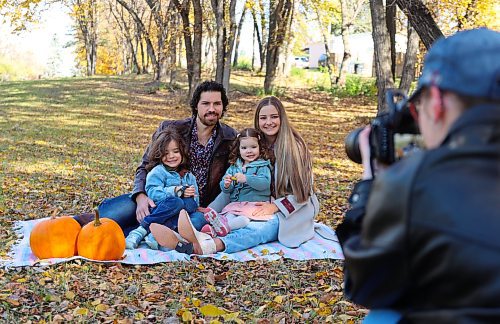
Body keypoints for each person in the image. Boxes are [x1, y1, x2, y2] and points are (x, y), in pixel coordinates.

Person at [336, 28, 500, 323]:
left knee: (382, 316)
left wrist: (372, 184)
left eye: (417, 108)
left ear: (435, 100)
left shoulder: (416, 180)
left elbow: (364, 283)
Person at [152, 96, 320, 255]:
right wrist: (211, 209)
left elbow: (303, 193)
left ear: (282, 118)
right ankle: (183, 240)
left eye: (274, 117)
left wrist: (275, 206)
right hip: (255, 205)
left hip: (293, 207)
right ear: (257, 120)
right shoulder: (253, 147)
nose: (268, 122)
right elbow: (233, 189)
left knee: (259, 230)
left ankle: (210, 246)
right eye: (263, 118)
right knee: (219, 219)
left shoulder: (294, 147)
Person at [75, 81, 237, 236]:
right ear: (196, 105)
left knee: (194, 224)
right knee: (116, 214)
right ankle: (75, 226)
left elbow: (234, 174)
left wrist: (208, 207)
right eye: (206, 103)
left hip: (190, 207)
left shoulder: (229, 138)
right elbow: (145, 166)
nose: (212, 109)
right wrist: (140, 196)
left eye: (217, 104)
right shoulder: (172, 129)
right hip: (158, 197)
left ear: (223, 106)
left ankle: (132, 233)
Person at [124, 128, 207, 250]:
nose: (171, 156)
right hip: (161, 211)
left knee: (198, 215)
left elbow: (195, 202)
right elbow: (153, 193)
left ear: (182, 153)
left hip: (179, 218)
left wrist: (193, 199)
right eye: (166, 153)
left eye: (175, 151)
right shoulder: (158, 172)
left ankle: (160, 237)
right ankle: (140, 231)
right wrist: (176, 191)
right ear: (159, 154)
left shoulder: (189, 176)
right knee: (176, 202)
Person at [199, 127, 272, 237]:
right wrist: (227, 184)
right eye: (244, 148)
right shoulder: (234, 166)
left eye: (253, 147)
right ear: (238, 149)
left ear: (260, 147)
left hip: (253, 205)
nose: (249, 151)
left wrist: (247, 178)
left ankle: (218, 229)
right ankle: (217, 226)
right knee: (228, 217)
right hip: (236, 205)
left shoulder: (262, 166)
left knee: (243, 220)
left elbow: (265, 183)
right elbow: (225, 188)